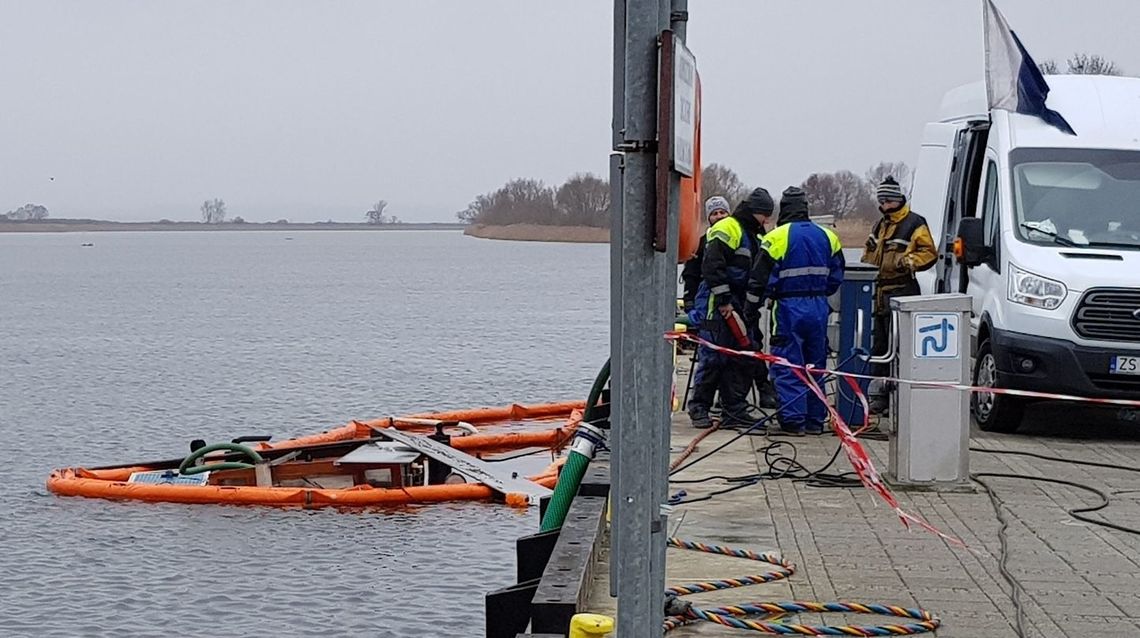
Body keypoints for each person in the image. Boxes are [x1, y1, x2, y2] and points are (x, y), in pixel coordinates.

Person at [747, 186, 845, 436]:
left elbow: (759, 279)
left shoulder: (776, 237)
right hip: (819, 307)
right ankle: (815, 420)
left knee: (788, 364)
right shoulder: (828, 237)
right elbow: (837, 276)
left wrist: (752, 308)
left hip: (789, 308)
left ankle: (793, 420)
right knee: (816, 364)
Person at [687, 188, 775, 429]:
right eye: (764, 215)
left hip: (738, 302)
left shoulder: (754, 235)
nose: (766, 221)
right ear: (756, 212)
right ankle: (699, 407)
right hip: (715, 302)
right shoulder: (729, 228)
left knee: (740, 358)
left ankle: (734, 410)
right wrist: (724, 300)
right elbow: (712, 265)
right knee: (714, 356)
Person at [860, 176, 938, 414]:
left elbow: (929, 252)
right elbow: (869, 251)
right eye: (881, 200)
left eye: (886, 200)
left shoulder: (914, 223)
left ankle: (900, 396)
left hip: (902, 289)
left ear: (895, 200)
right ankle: (878, 396)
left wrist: (906, 262)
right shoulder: (880, 225)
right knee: (880, 347)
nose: (883, 205)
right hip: (880, 292)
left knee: (901, 347)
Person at [681, 196, 731, 312]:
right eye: (714, 213)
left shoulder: (738, 239)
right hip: (704, 301)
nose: (719, 216)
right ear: (709, 218)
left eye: (722, 212)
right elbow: (691, 274)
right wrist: (689, 299)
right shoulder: (700, 243)